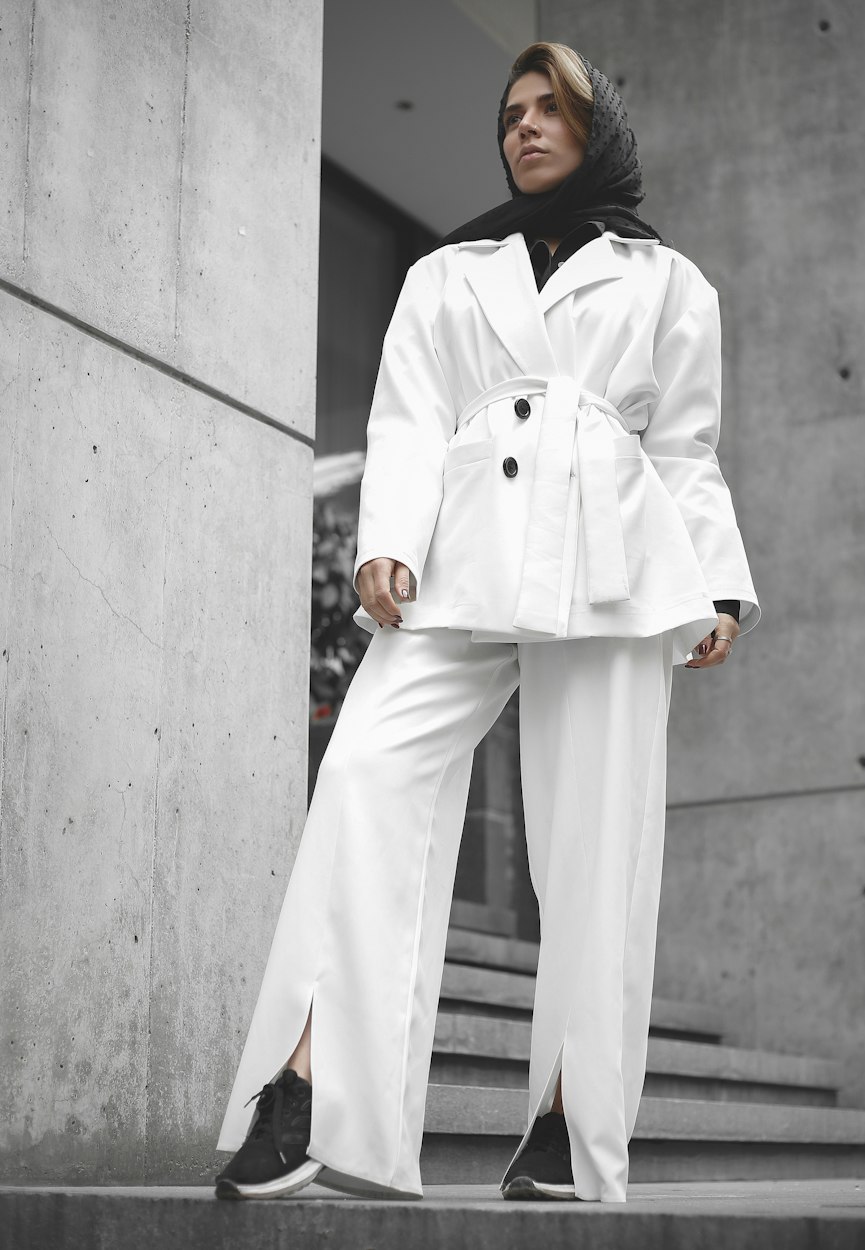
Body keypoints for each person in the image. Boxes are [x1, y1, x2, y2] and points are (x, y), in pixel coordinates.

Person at [214, 41, 759, 1205]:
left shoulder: (671, 283)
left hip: (612, 557)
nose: (522, 127)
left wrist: (714, 579)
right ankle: (317, 1094)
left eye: (547, 107)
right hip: (464, 549)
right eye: (509, 112)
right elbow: (407, 415)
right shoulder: (447, 269)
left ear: (594, 123)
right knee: (364, 773)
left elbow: (683, 447)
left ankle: (568, 1124)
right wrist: (384, 537)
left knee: (595, 839)